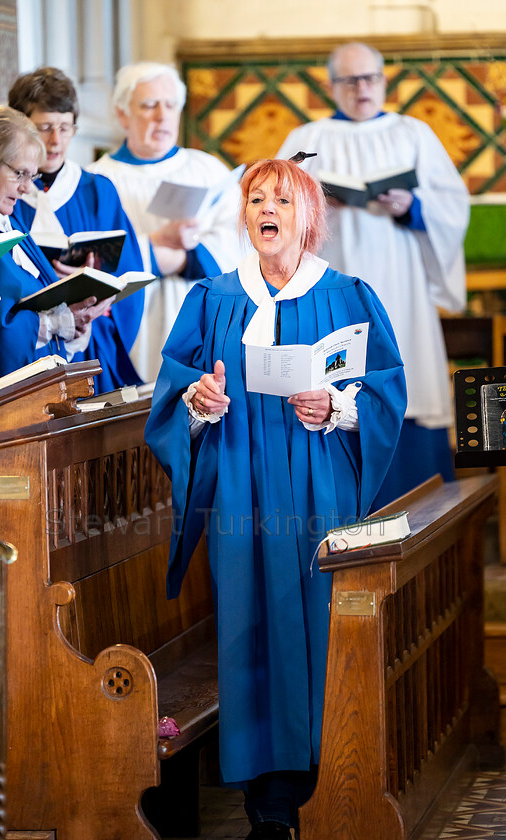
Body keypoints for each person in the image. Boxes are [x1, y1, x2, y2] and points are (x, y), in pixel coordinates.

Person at [145, 158, 406, 838]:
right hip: (238, 481)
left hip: (316, 483)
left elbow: (385, 393)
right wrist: (199, 401)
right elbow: (173, 394)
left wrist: (339, 407)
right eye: (256, 199)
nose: (267, 210)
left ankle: (326, 777)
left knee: (318, 618)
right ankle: (265, 798)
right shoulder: (212, 298)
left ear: (307, 216)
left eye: (282, 200)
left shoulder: (348, 296)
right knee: (246, 623)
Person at [277, 41, 470, 507]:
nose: (361, 89)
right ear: (331, 85)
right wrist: (316, 199)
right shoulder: (308, 137)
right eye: (350, 80)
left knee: (406, 378)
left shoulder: (413, 133)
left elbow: (453, 206)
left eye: (370, 78)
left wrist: (412, 206)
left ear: (383, 81)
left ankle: (421, 515)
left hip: (402, 287)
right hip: (331, 293)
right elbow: (273, 206)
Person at [88, 61, 242, 382]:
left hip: (198, 316)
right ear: (122, 114)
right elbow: (91, 259)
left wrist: (186, 258)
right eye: (148, 105)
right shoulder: (96, 180)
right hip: (132, 321)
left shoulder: (208, 170)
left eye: (171, 105)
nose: (162, 116)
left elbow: (237, 238)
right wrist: (156, 245)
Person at [0, 105, 112, 382]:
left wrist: (75, 316)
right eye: (19, 174)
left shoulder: (6, 218)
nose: (26, 188)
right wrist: (56, 323)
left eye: (31, 176)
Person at [8, 66, 144, 392]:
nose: (56, 141)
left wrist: (93, 290)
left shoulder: (98, 191)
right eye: (44, 127)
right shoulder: (6, 193)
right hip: (24, 350)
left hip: (91, 346)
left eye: (65, 128)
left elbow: (127, 276)